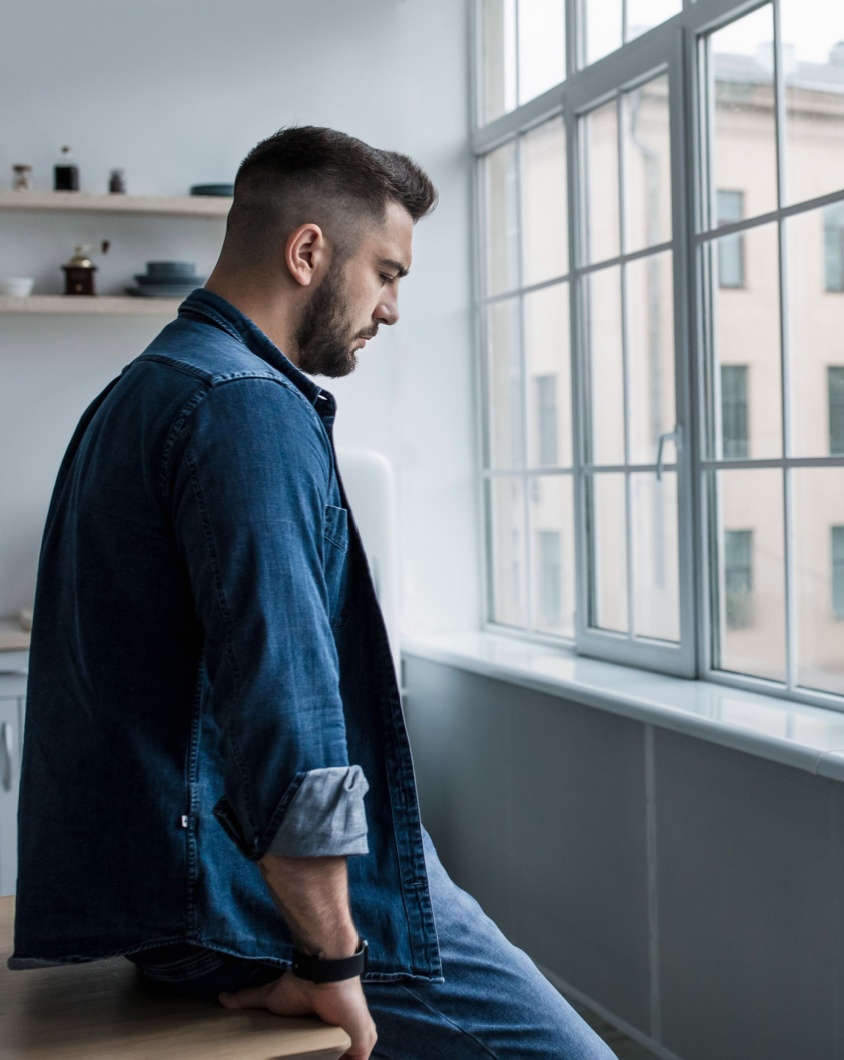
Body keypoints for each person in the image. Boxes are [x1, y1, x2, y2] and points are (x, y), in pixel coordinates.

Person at [9, 126, 615, 1060]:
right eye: (387, 272)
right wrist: (334, 961)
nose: (394, 306)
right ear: (307, 252)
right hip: (238, 906)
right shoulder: (244, 405)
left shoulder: (142, 389)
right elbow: (285, 705)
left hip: (160, 904)